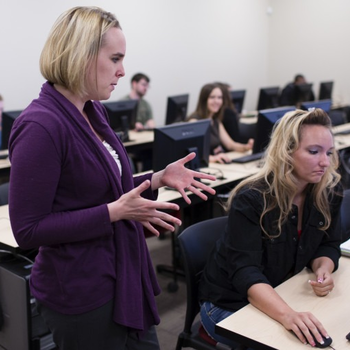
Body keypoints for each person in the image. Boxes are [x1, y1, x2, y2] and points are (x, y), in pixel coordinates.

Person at [8, 7, 216, 350]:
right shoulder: (41, 126)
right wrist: (114, 213)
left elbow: (105, 188)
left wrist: (158, 178)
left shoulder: (92, 111)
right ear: (81, 56)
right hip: (81, 289)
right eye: (115, 58)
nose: (122, 71)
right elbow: (28, 230)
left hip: (121, 273)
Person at [198, 108, 343, 348]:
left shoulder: (326, 193)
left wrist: (323, 269)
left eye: (329, 152)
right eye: (314, 151)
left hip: (280, 290)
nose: (325, 162)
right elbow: (245, 273)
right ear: (286, 152)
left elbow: (328, 244)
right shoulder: (252, 199)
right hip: (229, 305)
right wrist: (288, 315)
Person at [187, 83, 254, 164]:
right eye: (212, 97)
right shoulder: (194, 121)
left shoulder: (215, 120)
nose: (217, 101)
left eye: (219, 98)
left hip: (215, 165)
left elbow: (230, 144)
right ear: (204, 100)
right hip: (206, 166)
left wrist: (246, 147)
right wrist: (213, 158)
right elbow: (192, 154)